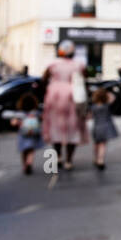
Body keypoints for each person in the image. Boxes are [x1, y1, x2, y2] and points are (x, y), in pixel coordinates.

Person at [42, 40, 87, 170]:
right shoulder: (78, 65)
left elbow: (44, 79)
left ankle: (58, 157)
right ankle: (69, 160)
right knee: (72, 127)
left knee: (56, 127)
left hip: (54, 96)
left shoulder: (53, 64)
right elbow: (83, 79)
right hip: (72, 95)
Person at [90, 88, 119, 170]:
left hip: (97, 127)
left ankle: (96, 158)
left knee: (96, 144)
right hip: (106, 127)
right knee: (103, 145)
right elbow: (113, 98)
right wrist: (109, 93)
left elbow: (90, 115)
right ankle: (101, 160)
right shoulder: (107, 106)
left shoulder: (93, 107)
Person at [14, 108, 43, 175]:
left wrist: (19, 123)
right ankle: (29, 162)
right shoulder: (35, 112)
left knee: (24, 150)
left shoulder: (19, 113)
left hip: (23, 134)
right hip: (33, 133)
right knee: (31, 150)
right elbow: (42, 118)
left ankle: (25, 165)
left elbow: (14, 123)